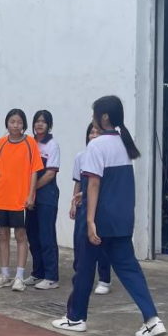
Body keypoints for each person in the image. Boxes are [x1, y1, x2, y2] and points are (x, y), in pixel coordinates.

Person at [53, 96, 165, 336]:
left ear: (104, 117)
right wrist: (86, 195)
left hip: (100, 218)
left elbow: (94, 183)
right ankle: (152, 318)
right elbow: (111, 184)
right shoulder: (124, 143)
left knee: (84, 268)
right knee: (129, 269)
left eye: (94, 113)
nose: (92, 118)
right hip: (121, 218)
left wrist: (90, 220)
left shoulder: (96, 145)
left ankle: (76, 318)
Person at [0, 109, 41, 292]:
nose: (16, 125)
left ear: (23, 124)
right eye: (12, 121)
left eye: (19, 122)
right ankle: (4, 275)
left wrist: (30, 195)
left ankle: (19, 277)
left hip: (20, 199)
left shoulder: (30, 143)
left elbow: (35, 171)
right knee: (3, 235)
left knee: (20, 236)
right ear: (7, 123)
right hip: (2, 197)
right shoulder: (1, 144)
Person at [70, 123, 112, 295]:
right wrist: (73, 203)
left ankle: (104, 279)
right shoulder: (81, 157)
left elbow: (101, 184)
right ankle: (80, 276)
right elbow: (78, 182)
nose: (93, 135)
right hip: (83, 204)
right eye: (91, 132)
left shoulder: (107, 157)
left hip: (101, 206)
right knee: (79, 242)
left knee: (100, 241)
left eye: (97, 132)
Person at [24, 110, 61, 290]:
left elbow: (50, 173)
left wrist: (32, 189)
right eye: (37, 121)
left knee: (46, 236)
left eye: (44, 122)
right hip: (30, 197)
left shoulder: (52, 145)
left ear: (49, 125)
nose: (40, 124)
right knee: (32, 234)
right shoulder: (29, 143)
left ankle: (51, 277)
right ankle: (37, 273)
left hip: (46, 196)